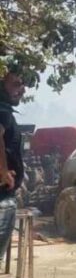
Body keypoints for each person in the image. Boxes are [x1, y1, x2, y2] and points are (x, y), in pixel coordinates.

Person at [0, 67, 27, 264]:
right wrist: (2, 171)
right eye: (16, 84)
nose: (22, 89)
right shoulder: (2, 111)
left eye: (23, 84)